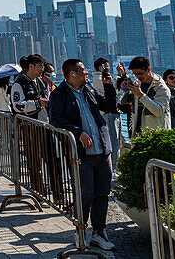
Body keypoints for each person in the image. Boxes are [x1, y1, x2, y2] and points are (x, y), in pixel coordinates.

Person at [48, 60, 116, 252]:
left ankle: (99, 233)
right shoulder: (58, 94)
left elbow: (110, 106)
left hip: (102, 150)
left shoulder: (89, 90)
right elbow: (56, 119)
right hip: (81, 154)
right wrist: (78, 132)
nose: (87, 74)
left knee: (103, 193)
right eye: (83, 71)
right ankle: (80, 230)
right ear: (72, 74)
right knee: (85, 194)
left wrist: (109, 86)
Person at [119, 57, 171, 135]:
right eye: (135, 74)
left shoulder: (161, 88)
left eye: (140, 73)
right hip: (138, 135)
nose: (137, 77)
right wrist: (124, 90)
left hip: (157, 136)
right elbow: (120, 104)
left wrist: (141, 95)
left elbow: (159, 111)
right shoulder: (137, 85)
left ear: (148, 70)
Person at [90, 58, 121, 166]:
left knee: (116, 141)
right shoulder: (98, 78)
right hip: (108, 114)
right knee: (113, 142)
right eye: (107, 67)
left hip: (111, 112)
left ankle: (115, 166)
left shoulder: (99, 78)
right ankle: (113, 166)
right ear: (100, 67)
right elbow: (114, 85)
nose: (108, 69)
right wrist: (119, 76)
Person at [10, 54, 49, 120]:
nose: (42, 70)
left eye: (42, 67)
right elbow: (18, 106)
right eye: (40, 66)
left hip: (44, 123)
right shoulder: (19, 84)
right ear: (31, 66)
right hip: (28, 124)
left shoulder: (43, 83)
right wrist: (38, 103)